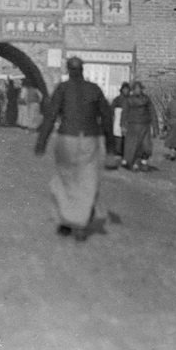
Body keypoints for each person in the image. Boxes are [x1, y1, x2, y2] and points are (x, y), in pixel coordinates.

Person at [35, 56, 112, 242]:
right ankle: (80, 222)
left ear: (68, 70)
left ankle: (67, 220)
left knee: (65, 178)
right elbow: (107, 116)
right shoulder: (94, 89)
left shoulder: (62, 89)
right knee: (87, 179)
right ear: (82, 70)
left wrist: (42, 141)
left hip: (67, 138)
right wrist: (111, 146)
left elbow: (51, 115)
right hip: (89, 139)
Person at [122, 81, 159, 172]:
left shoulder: (146, 99)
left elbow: (152, 113)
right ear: (133, 90)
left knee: (146, 146)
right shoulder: (129, 100)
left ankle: (143, 163)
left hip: (145, 126)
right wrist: (123, 125)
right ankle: (133, 163)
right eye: (136, 88)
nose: (138, 90)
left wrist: (155, 127)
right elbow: (125, 113)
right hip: (133, 126)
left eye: (139, 88)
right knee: (133, 146)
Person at [110, 82, 131, 159]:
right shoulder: (117, 99)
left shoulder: (131, 99)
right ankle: (118, 153)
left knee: (127, 137)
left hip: (128, 119)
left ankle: (125, 153)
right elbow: (112, 109)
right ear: (121, 90)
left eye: (127, 89)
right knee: (118, 136)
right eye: (124, 89)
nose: (126, 91)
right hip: (118, 118)